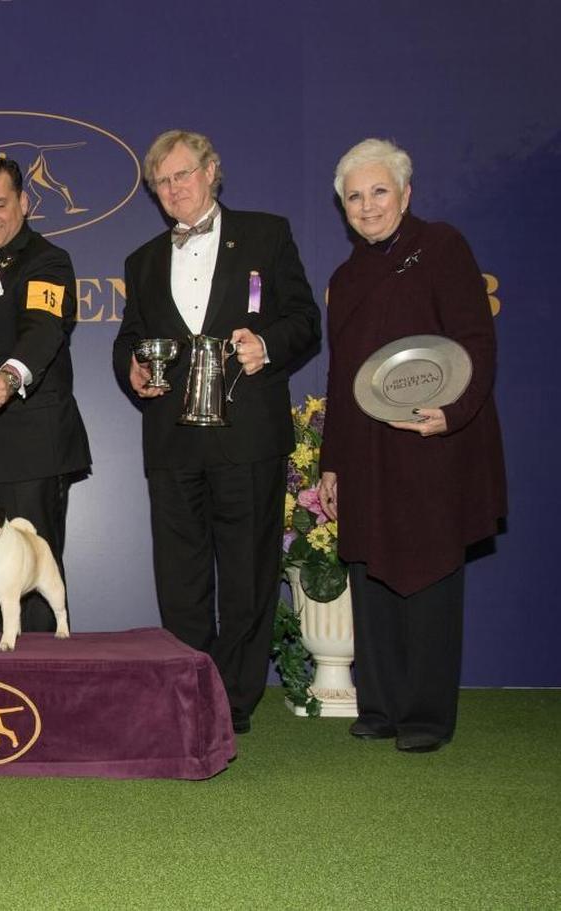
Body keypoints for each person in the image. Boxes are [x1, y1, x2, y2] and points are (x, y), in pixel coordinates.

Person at [113, 130, 320, 734]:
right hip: (172, 441)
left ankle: (234, 699)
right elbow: (130, 337)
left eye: (182, 175)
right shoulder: (142, 260)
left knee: (248, 575)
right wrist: (129, 367)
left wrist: (267, 345)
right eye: (162, 183)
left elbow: (305, 320)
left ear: (211, 172)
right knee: (179, 577)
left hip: (248, 436)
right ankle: (187, 689)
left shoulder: (267, 233)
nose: (173, 190)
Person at [319, 138, 506, 753]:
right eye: (354, 196)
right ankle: (380, 707)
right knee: (370, 571)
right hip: (366, 448)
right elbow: (341, 377)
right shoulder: (344, 279)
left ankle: (425, 716)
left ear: (405, 193)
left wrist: (450, 415)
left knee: (427, 573)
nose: (367, 206)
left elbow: (476, 340)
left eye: (378, 192)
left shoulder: (443, 247)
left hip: (430, 441)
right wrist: (332, 463)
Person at [0, 156, 91, 633]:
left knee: (30, 576)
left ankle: (43, 698)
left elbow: (44, 329)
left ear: (24, 203)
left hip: (32, 445)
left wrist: (10, 376)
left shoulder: (48, 261)